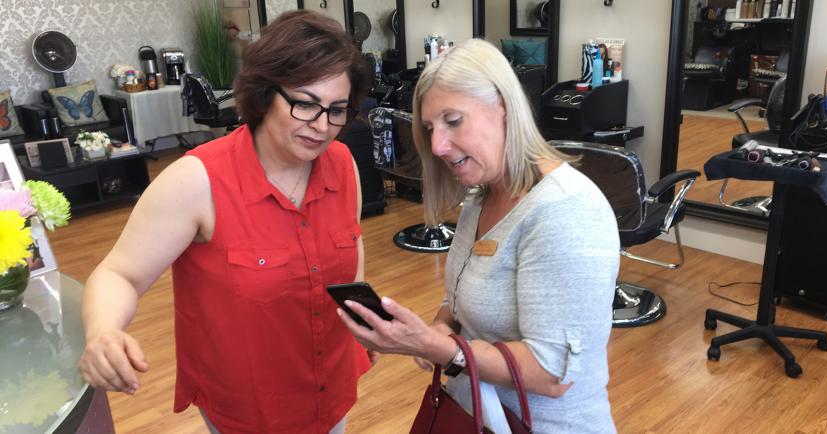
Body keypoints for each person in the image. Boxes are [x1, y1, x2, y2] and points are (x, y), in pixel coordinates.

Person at [78, 10, 373, 433]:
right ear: (265, 93)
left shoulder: (341, 163)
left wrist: (360, 317)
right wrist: (103, 331)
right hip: (250, 409)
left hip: (331, 387)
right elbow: (118, 274)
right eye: (305, 104)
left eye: (337, 109)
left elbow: (352, 242)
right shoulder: (197, 180)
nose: (322, 126)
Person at [338, 39, 620, 433]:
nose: (436, 145)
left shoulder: (566, 210)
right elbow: (459, 300)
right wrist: (437, 328)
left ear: (503, 107)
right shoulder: (481, 196)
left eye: (453, 121)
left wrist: (435, 347)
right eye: (430, 128)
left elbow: (552, 375)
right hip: (478, 414)